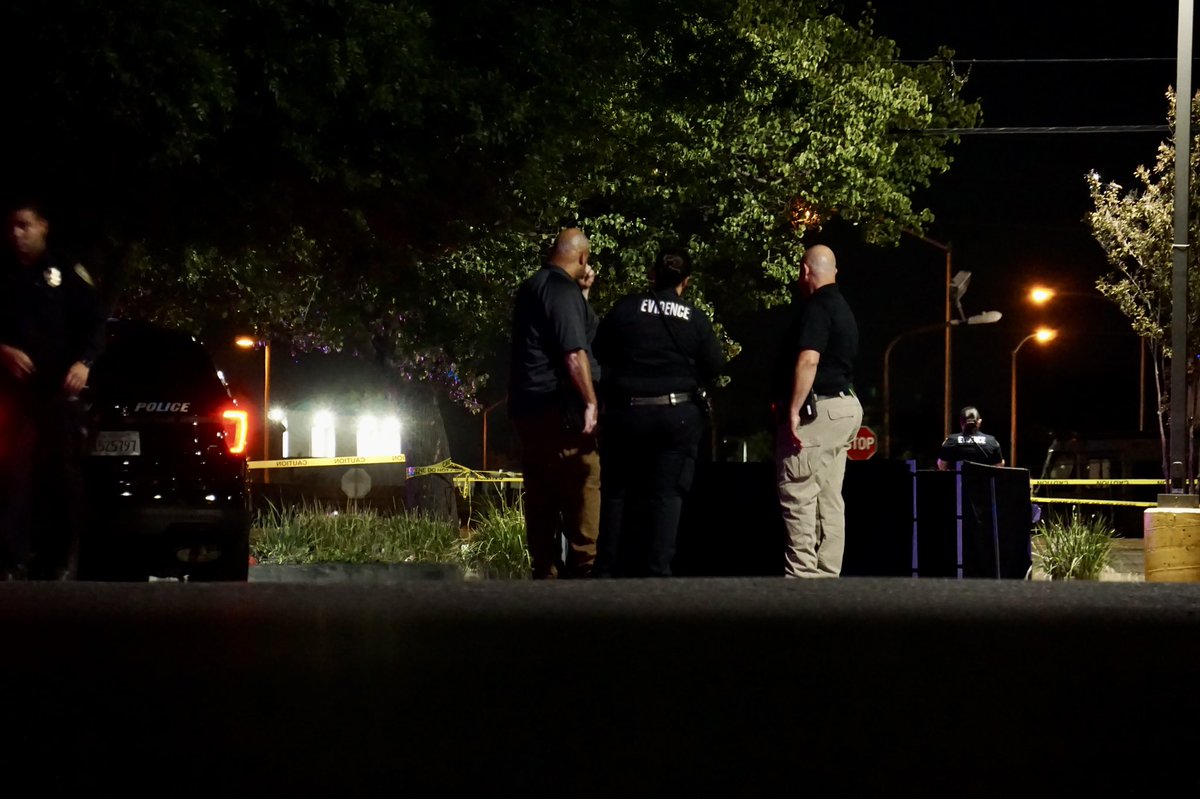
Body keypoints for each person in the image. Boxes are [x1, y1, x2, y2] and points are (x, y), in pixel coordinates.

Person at [592, 247, 725, 577]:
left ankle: (606, 570)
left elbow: (599, 349)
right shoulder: (694, 318)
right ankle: (658, 573)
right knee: (666, 495)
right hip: (676, 415)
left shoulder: (625, 309)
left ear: (653, 274)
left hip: (626, 415)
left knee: (616, 493)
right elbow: (715, 365)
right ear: (686, 281)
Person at [0, 200, 106, 580]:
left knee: (61, 475)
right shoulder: (5, 273)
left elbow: (94, 323)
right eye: (12, 227)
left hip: (58, 393)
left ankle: (60, 559)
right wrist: (4, 351)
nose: (17, 234)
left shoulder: (64, 270)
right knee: (14, 473)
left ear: (43, 226)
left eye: (25, 226)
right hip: (16, 395)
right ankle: (11, 559)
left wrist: (84, 363)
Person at [507, 227, 600, 579]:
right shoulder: (561, 291)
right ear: (581, 257)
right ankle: (584, 577)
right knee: (584, 486)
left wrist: (584, 294)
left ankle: (544, 578)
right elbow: (574, 352)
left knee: (542, 497)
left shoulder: (535, 286)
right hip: (560, 412)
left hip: (529, 408)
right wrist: (590, 402)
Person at [772, 244, 863, 578]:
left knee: (797, 492)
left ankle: (802, 582)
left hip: (819, 410)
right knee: (828, 496)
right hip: (845, 406)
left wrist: (793, 409)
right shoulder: (842, 307)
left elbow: (809, 358)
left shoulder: (818, 307)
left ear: (805, 271)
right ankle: (827, 579)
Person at [937, 406, 1006, 469]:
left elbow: (942, 466)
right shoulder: (992, 441)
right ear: (979, 422)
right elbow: (999, 466)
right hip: (983, 482)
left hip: (959, 482)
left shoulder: (951, 441)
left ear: (961, 423)